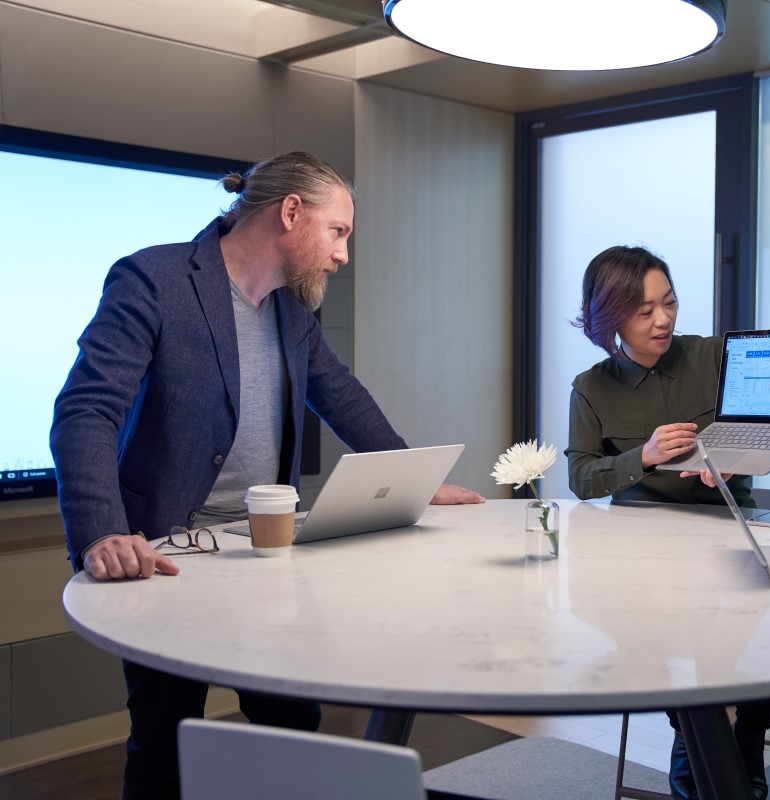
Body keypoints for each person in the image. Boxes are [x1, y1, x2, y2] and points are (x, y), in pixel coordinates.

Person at [49, 151, 485, 800]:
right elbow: (86, 409)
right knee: (165, 739)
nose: (342, 254)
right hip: (169, 554)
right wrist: (101, 532)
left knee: (291, 724)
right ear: (290, 212)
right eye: (338, 232)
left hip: (266, 552)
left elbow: (341, 396)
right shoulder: (155, 279)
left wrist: (411, 480)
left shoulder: (291, 308)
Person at [565, 245, 770, 800]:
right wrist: (645, 455)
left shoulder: (715, 357)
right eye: (643, 311)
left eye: (670, 303)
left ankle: (726, 755)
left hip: (727, 535)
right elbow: (582, 478)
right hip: (646, 556)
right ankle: (722, 769)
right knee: (685, 648)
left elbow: (762, 430)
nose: (663, 320)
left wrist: (731, 462)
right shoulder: (590, 388)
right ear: (609, 319)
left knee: (757, 645)